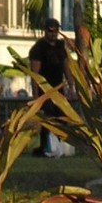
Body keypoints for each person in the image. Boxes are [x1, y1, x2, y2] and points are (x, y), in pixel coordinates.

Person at [27, 18, 70, 156]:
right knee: (47, 119)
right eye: (51, 31)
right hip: (44, 90)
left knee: (61, 118)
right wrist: (35, 96)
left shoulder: (60, 46)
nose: (53, 34)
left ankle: (60, 146)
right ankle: (46, 147)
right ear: (45, 31)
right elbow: (35, 73)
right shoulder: (38, 48)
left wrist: (71, 84)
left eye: (56, 31)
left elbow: (66, 66)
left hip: (59, 88)